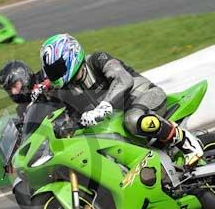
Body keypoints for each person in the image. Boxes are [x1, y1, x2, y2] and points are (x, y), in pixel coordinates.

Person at [39, 34, 204, 167]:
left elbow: (123, 79)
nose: (55, 74)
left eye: (57, 69)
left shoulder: (97, 60)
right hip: (118, 118)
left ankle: (184, 140)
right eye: (51, 71)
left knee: (133, 119)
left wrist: (105, 106)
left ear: (71, 56)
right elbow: (71, 116)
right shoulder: (69, 90)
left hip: (145, 96)